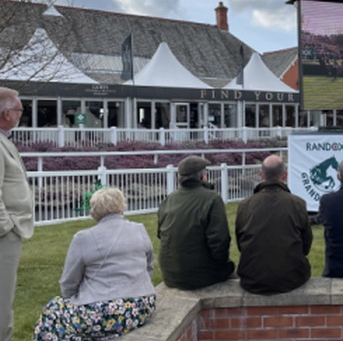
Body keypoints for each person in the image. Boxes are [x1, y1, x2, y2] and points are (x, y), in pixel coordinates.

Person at [33, 188, 156, 340]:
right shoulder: (139, 229)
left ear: (94, 210)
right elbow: (149, 266)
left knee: (52, 313)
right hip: (143, 306)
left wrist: (71, 299)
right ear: (122, 205)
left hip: (103, 313)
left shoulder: (83, 238)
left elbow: (69, 281)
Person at [236, 155, 312, 294]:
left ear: (261, 175)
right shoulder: (298, 204)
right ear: (284, 175)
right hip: (291, 278)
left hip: (252, 279)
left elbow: (241, 244)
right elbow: (306, 245)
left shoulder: (245, 205)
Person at [158, 156, 235, 289]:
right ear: (202, 177)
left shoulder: (169, 199)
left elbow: (160, 234)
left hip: (169, 275)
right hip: (200, 276)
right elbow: (219, 242)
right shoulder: (212, 199)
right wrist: (224, 265)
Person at [0, 87, 34, 341]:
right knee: (2, 299)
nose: (22, 115)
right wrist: (6, 227)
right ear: (7, 113)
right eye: (20, 110)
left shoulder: (4, 139)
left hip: (9, 230)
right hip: (5, 235)